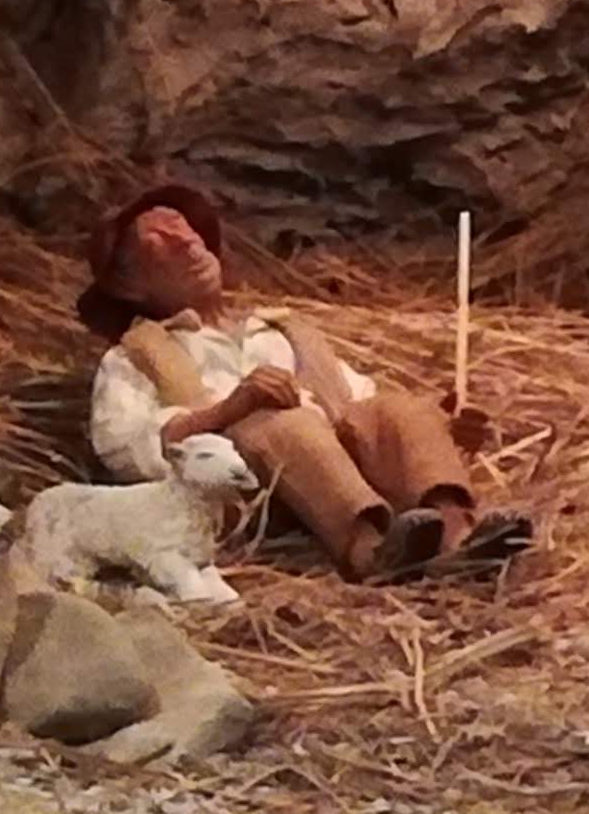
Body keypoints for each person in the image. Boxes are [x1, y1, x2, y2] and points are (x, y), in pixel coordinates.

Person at [79, 181, 530, 582]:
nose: (186, 240)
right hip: (255, 496)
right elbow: (123, 447)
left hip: (340, 461)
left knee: (398, 407)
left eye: (182, 225)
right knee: (285, 423)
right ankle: (369, 549)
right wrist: (228, 411)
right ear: (129, 284)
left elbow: (363, 405)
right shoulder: (137, 355)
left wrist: (440, 426)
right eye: (157, 239)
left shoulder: (279, 330)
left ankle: (455, 536)